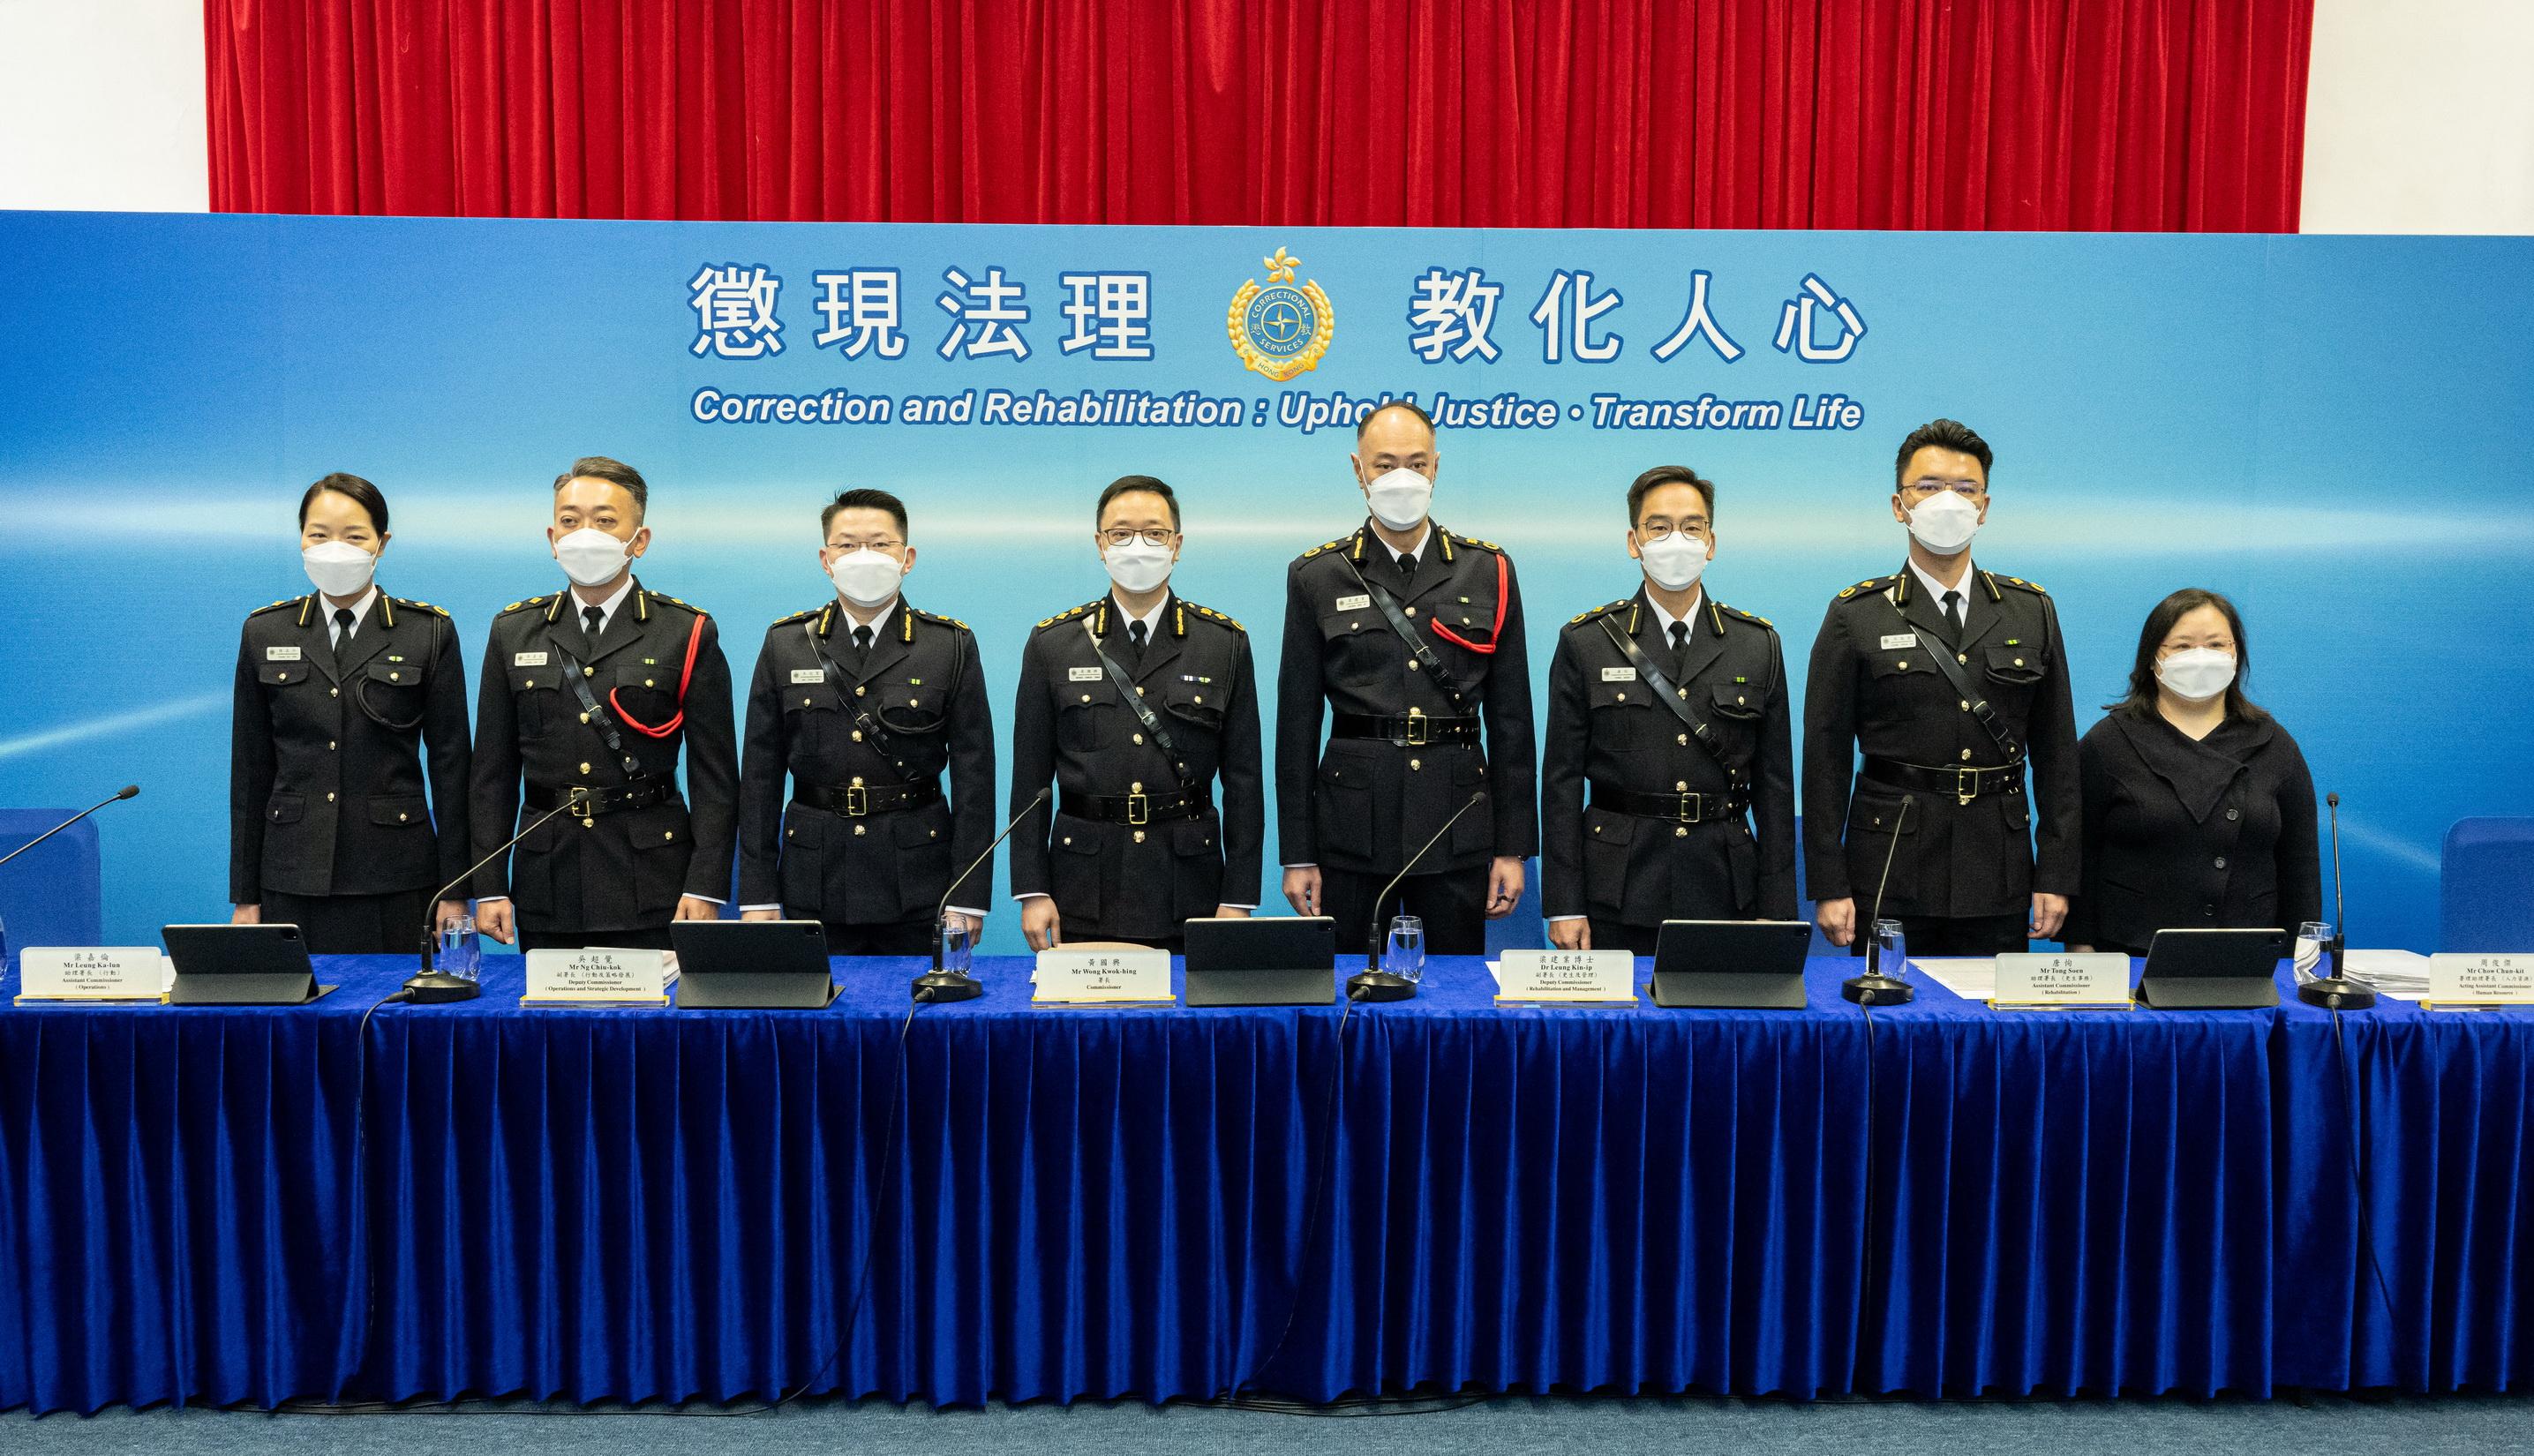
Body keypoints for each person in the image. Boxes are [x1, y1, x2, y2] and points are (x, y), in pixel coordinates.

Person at [1801, 418, 2079, 957]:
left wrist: (2058, 873)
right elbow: (1824, 760)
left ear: (1985, 506)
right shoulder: (1855, 615)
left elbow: (2058, 756)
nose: (1947, 501)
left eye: (1965, 488)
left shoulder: (2031, 611)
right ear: (1898, 505)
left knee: (1992, 1030)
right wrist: (1829, 884)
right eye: (1928, 487)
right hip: (1890, 864)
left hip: (1997, 865)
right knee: (1889, 1026)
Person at [1275, 399, 1536, 956]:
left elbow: (1512, 724)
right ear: (1358, 469)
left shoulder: (1488, 569)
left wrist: (1512, 848)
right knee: (1346, 993)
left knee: (1453, 999)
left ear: (1437, 467)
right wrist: (1299, 853)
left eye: (1416, 464)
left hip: (1455, 818)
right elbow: (1296, 728)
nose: (1402, 478)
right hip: (1351, 827)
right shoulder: (1317, 575)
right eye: (1385, 463)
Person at [469, 456, 737, 952]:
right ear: (552, 538)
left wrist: (706, 885)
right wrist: (488, 885)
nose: (584, 533)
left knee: (656, 1026)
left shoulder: (685, 630)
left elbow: (715, 776)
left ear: (640, 539)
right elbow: (491, 774)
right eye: (570, 521)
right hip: (548, 876)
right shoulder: (513, 631)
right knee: (549, 1026)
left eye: (605, 520)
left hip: (653, 874)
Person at [1540, 466, 1795, 954]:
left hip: (1725, 886)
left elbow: (1775, 788)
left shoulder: (1756, 644)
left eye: (1692, 527)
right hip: (1617, 887)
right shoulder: (1587, 642)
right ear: (1634, 542)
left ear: (1712, 542)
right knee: (1617, 1031)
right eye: (1659, 527)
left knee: (1726, 1030)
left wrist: (1777, 905)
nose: (1676, 539)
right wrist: (1565, 902)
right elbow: (1561, 783)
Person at [1008, 476, 1263, 953]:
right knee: (1085, 1027)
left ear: (1178, 544)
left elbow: (1245, 782)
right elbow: (1031, 781)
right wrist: (1033, 889)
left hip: (1191, 885)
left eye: (1155, 532)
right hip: (1084, 884)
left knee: (1191, 1025)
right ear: (1100, 545)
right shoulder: (1052, 644)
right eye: (1121, 533)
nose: (1138, 546)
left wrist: (1239, 897)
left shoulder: (1223, 643)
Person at [737, 488, 995, 954]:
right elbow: (760, 778)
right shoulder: (786, 643)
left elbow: (976, 779)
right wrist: (757, 894)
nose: (864, 557)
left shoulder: (949, 645)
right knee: (808, 1023)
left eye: (880, 544)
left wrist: (969, 896)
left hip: (919, 882)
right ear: (825, 558)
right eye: (847, 545)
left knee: (925, 1020)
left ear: (907, 556)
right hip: (811, 880)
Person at [229, 473, 470, 953]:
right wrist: (245, 896)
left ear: (382, 544)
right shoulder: (265, 631)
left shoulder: (427, 632)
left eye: (354, 535)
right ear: (300, 539)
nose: (334, 547)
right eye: (319, 534)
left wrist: (456, 889)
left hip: (396, 874)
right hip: (292, 874)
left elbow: (452, 770)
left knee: (395, 1017)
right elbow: (251, 771)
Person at [2066, 589, 2320, 954]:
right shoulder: (2109, 742)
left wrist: (2302, 960)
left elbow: (2301, 866)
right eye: (2183, 646)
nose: (2201, 658)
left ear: (2236, 654)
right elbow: (2080, 853)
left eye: (2216, 644)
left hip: (2248, 955)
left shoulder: (2274, 743)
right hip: (2130, 952)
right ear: (2153, 656)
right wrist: (2080, 948)